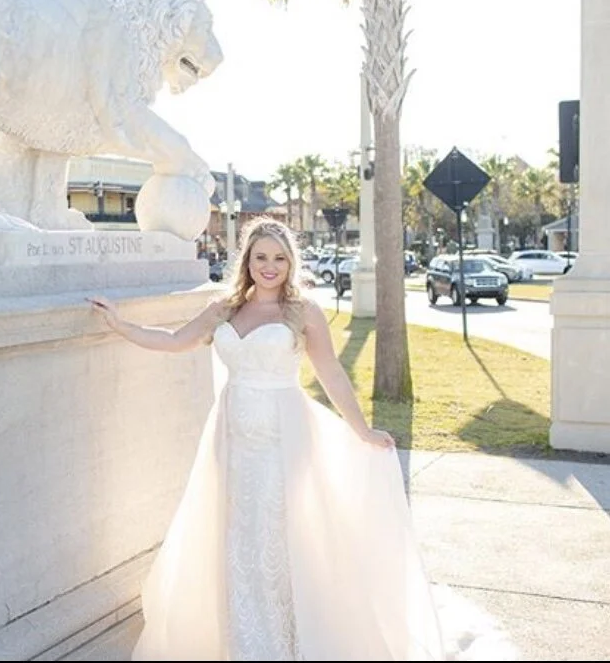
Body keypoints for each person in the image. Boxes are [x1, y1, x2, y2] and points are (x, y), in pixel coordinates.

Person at [89, 216, 514, 661]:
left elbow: (329, 372)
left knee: (280, 537)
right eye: (260, 258)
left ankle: (291, 641)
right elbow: (175, 340)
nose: (269, 267)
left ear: (291, 262)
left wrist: (362, 429)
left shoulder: (303, 311)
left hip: (284, 438)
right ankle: (244, 640)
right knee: (237, 537)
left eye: (279, 258)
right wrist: (120, 325)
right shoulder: (225, 309)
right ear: (247, 262)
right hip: (231, 438)